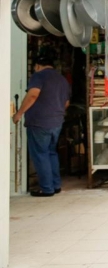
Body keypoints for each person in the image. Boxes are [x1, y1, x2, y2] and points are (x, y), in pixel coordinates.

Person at [13, 48, 71, 197]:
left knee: (40, 154)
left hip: (39, 122)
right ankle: (56, 185)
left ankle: (46, 188)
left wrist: (19, 113)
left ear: (38, 65)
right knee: (51, 152)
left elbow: (32, 95)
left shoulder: (38, 76)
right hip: (56, 122)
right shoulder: (62, 79)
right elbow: (66, 103)